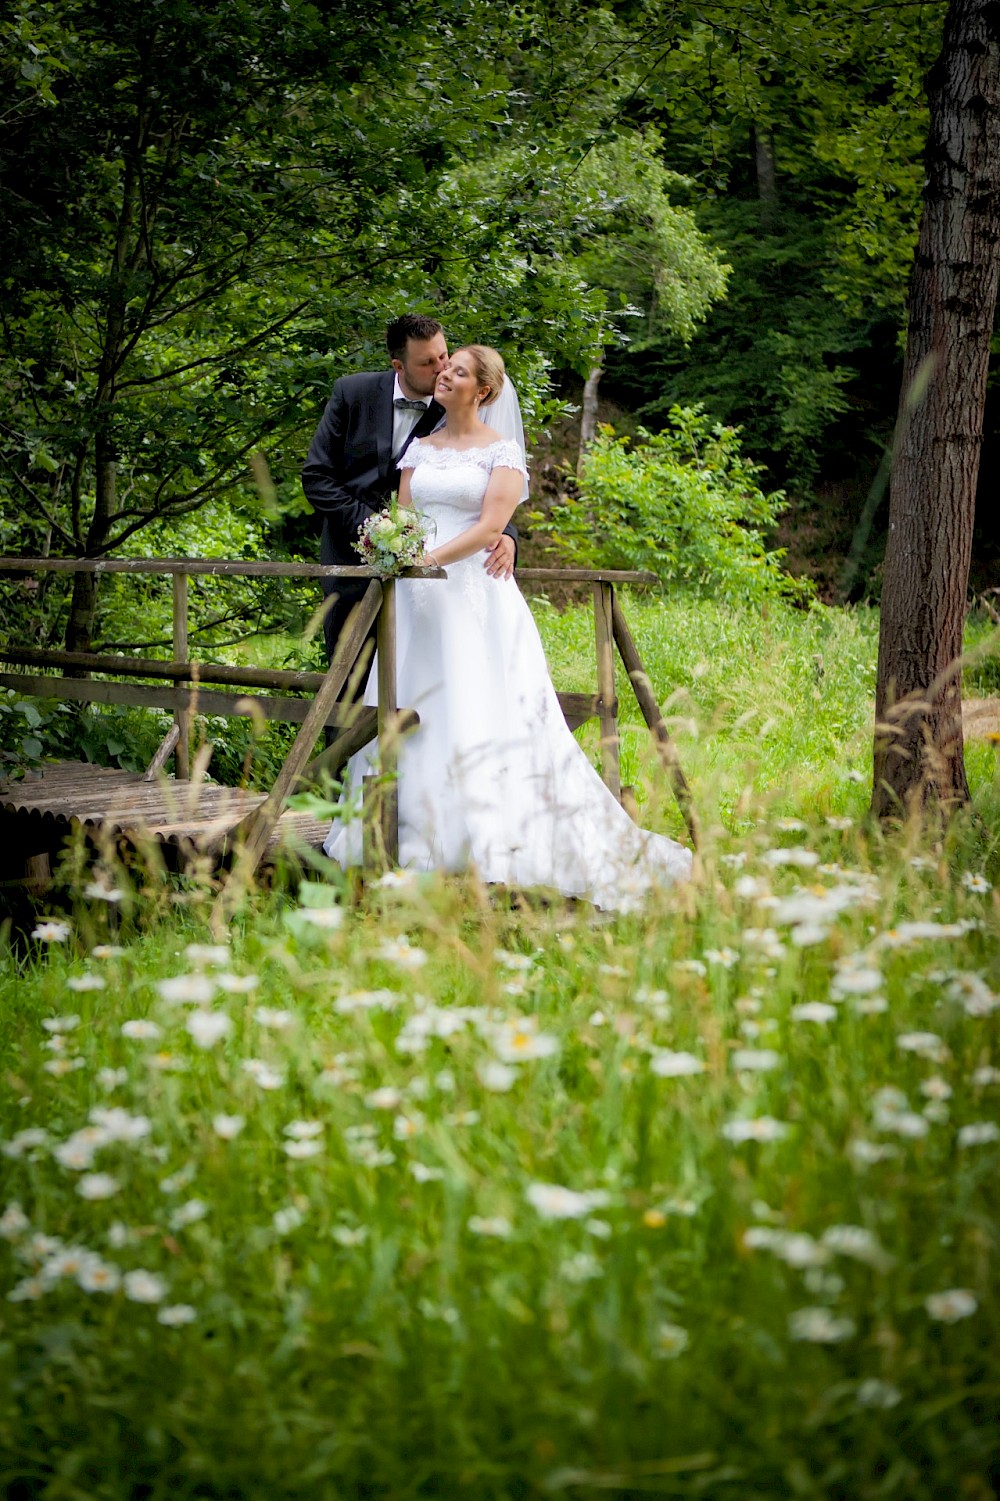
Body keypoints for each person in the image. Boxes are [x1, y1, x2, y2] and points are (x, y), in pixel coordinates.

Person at [324, 344, 693, 910]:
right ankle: (395, 831)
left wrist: (431, 561)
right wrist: (394, 547)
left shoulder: (502, 451)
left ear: (485, 391)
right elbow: (406, 516)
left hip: (471, 591)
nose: (445, 373)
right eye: (445, 367)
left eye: (459, 370)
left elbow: (491, 525)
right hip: (416, 598)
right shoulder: (419, 447)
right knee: (409, 699)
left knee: (475, 704)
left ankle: (481, 834)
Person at [301, 314, 518, 663]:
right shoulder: (353, 393)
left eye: (445, 356)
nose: (442, 369)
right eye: (427, 362)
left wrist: (506, 534)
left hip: (442, 575)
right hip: (352, 564)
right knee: (350, 683)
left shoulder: (457, 403)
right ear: (398, 365)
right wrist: (378, 531)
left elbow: (478, 479)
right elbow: (317, 477)